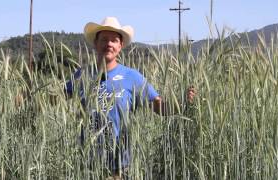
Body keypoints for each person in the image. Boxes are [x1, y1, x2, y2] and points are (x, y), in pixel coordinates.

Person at [64, 17, 196, 179]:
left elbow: (158, 106)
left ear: (120, 46)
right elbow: (56, 97)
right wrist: (30, 98)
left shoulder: (132, 77)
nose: (109, 44)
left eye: (114, 40)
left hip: (120, 166)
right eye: (104, 39)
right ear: (95, 44)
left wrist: (181, 103)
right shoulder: (81, 76)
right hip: (86, 164)